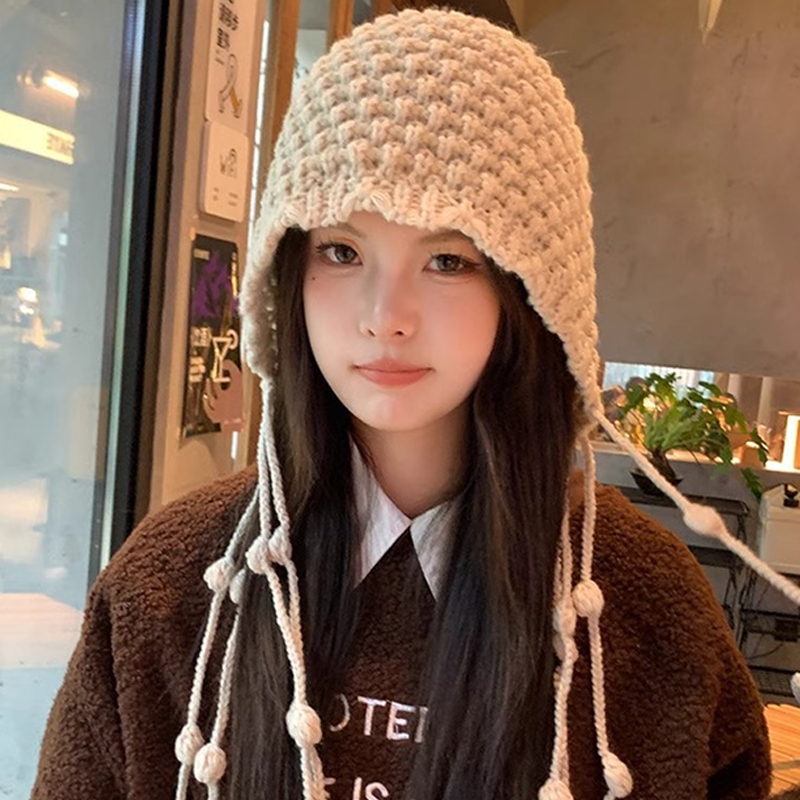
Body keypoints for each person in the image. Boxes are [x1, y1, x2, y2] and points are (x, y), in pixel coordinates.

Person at [31, 8, 787, 800]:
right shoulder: (173, 589)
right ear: (289, 275)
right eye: (342, 251)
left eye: (448, 260)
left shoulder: (645, 611)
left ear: (530, 294)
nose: (385, 315)